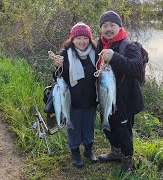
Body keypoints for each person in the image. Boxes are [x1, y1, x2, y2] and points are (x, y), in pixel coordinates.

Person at [97, 11, 144, 172]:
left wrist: (114, 56)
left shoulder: (130, 46)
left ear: (119, 27)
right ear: (101, 28)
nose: (108, 29)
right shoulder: (100, 44)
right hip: (105, 96)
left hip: (125, 101)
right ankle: (115, 152)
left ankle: (127, 161)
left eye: (112, 25)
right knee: (107, 127)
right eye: (104, 26)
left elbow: (137, 68)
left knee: (124, 132)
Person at [49, 22, 98, 168]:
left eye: (85, 38)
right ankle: (75, 152)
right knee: (73, 127)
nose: (82, 41)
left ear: (89, 38)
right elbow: (58, 78)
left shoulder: (96, 53)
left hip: (90, 99)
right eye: (78, 38)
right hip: (72, 100)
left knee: (89, 126)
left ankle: (89, 150)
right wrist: (57, 67)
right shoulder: (64, 54)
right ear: (72, 39)